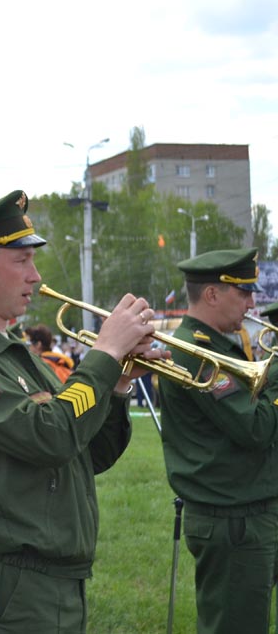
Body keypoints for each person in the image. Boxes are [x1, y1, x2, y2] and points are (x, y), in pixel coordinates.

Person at [0, 189, 159, 634]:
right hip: (16, 588)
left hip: (57, 583)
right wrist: (105, 353)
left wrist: (118, 382)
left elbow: (89, 452)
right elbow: (51, 437)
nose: (36, 275)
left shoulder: (19, 357)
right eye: (22, 260)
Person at [158, 248, 278, 634]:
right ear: (212, 294)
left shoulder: (216, 346)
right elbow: (256, 428)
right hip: (233, 519)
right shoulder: (198, 354)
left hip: (245, 510)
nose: (251, 303)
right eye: (243, 293)